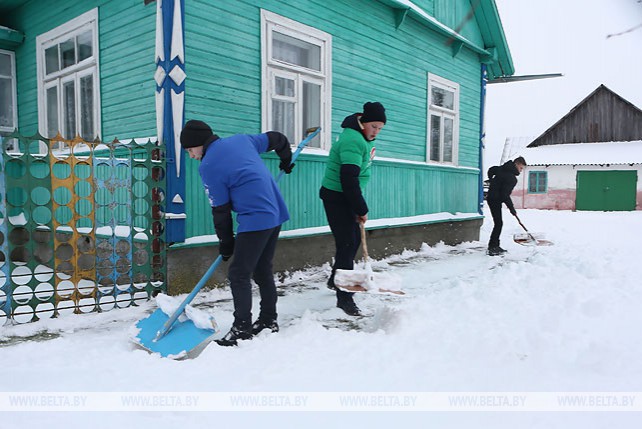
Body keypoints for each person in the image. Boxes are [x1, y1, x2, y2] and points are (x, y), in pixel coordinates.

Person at [179, 120, 294, 346]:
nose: (192, 156)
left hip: (256, 219)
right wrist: (286, 158)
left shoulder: (208, 165)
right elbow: (278, 138)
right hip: (276, 213)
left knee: (238, 274)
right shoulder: (242, 140)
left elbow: (220, 210)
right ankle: (269, 320)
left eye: (190, 151)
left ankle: (242, 328)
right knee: (262, 270)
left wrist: (226, 243)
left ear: (199, 145)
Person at [319, 102, 386, 316]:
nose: (376, 132)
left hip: (346, 195)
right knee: (348, 243)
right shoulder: (353, 140)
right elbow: (348, 179)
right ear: (363, 122)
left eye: (380, 128)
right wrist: (361, 207)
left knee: (351, 241)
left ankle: (334, 279)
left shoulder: (362, 138)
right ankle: (344, 297)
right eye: (373, 126)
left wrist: (357, 203)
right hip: (337, 197)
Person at [486, 156, 527, 256]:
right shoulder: (511, 178)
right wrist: (512, 209)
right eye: (521, 168)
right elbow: (505, 195)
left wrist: (492, 181)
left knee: (498, 223)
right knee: (499, 223)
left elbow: (491, 170)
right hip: (495, 200)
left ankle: (494, 245)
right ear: (516, 164)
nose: (521, 171)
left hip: (492, 198)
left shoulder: (502, 168)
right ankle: (493, 247)